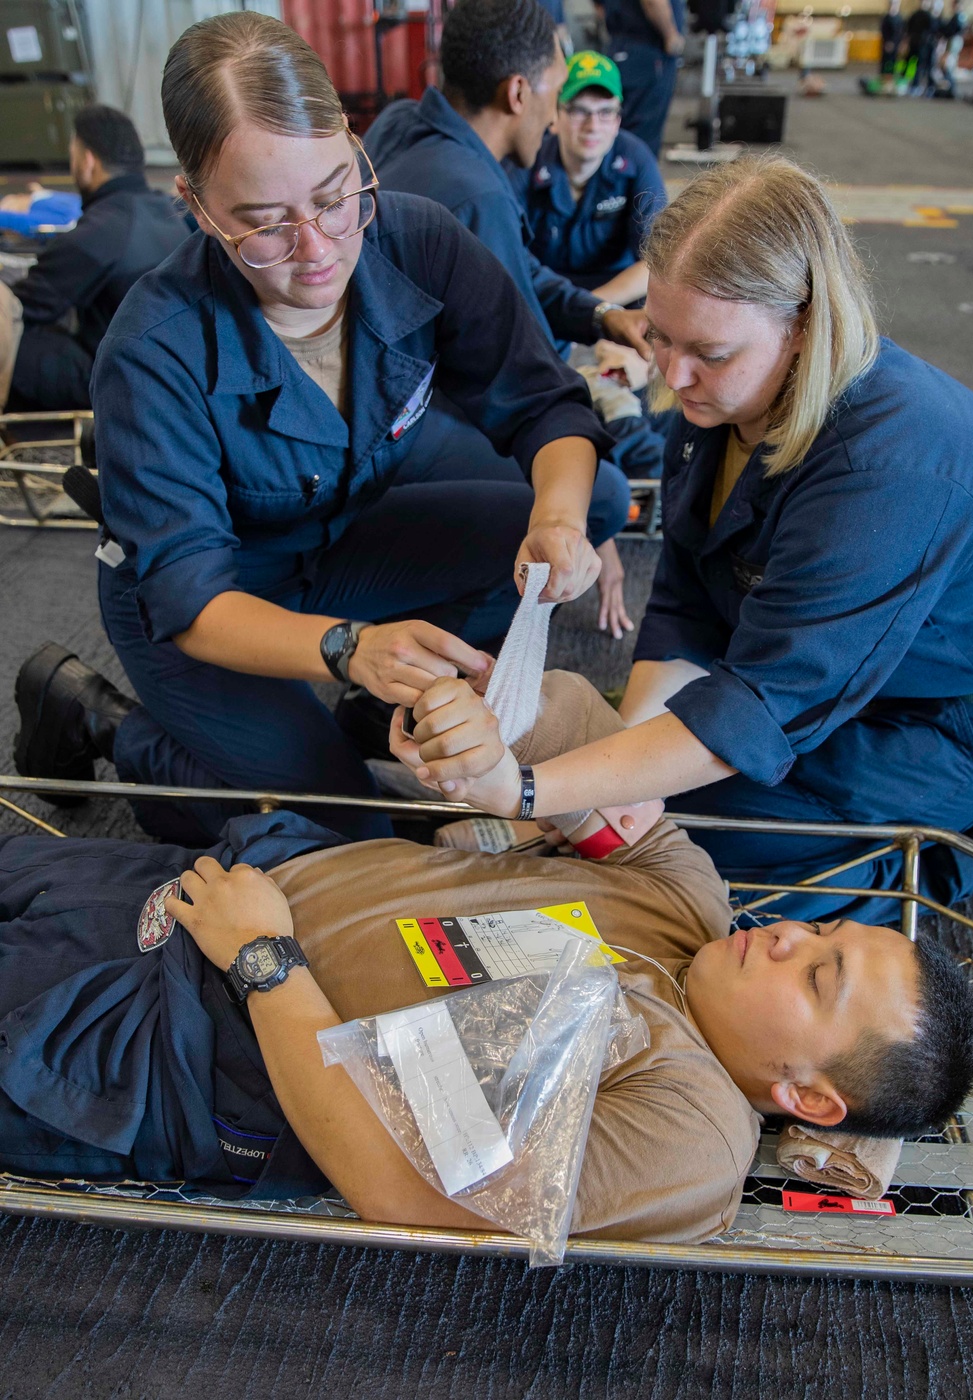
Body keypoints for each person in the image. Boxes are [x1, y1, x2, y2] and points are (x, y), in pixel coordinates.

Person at [0, 671, 973, 1244]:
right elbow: (567, 721)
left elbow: (397, 1187)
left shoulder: (687, 1125)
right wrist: (496, 737)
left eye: (816, 975)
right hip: (218, 886)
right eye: (821, 931)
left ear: (807, 1095)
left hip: (162, 1040)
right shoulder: (692, 908)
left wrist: (263, 959)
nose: (789, 935)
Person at [12, 12, 624, 847]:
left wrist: (555, 521)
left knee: (585, 501)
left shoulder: (414, 236)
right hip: (210, 604)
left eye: (336, 197)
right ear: (194, 205)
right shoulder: (151, 350)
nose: (318, 251)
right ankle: (104, 722)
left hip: (335, 540)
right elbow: (193, 600)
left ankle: (372, 706)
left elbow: (546, 402)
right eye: (265, 222)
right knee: (355, 825)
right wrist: (347, 647)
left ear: (356, 148)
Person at [397, 155, 973, 926]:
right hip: (795, 668)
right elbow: (683, 592)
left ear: (805, 325)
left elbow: (759, 711)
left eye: (709, 354)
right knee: (632, 806)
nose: (673, 378)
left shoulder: (888, 472)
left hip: (934, 717)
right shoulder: (726, 396)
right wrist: (616, 763)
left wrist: (531, 793)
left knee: (701, 847)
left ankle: (926, 857)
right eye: (660, 337)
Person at [367, 0, 654, 636]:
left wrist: (603, 316)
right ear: (519, 92)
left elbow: (515, 274)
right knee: (602, 493)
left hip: (383, 401)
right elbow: (526, 376)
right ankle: (445, 649)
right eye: (557, 91)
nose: (559, 117)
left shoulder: (404, 129)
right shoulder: (474, 194)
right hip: (407, 424)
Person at [0, 105, 188, 413]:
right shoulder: (165, 210)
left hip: (124, 379)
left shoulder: (101, 229)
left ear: (88, 161)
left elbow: (28, 305)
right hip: (170, 370)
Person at [508, 52, 667, 307]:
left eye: (605, 112)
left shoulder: (637, 161)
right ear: (555, 117)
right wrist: (567, 312)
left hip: (616, 296)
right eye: (579, 111)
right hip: (544, 296)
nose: (593, 126)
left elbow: (657, 263)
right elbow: (506, 253)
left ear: (617, 121)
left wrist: (587, 309)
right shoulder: (527, 162)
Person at [601, 0, 686, 156]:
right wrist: (671, 36)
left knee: (614, 134)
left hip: (618, 48)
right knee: (641, 142)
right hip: (649, 52)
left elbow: (598, 6)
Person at [880, 0, 906, 75]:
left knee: (894, 62)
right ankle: (885, 78)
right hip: (887, 44)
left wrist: (901, 44)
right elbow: (884, 31)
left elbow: (901, 32)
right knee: (886, 62)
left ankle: (892, 78)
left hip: (896, 44)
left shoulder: (900, 18)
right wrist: (887, 42)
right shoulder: (886, 18)